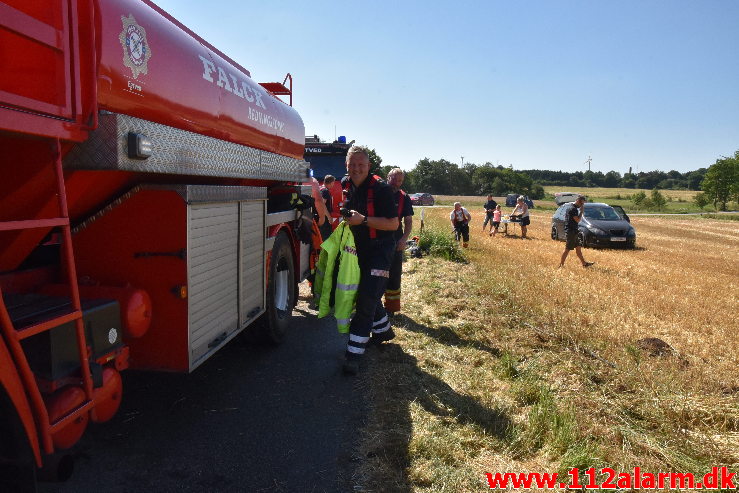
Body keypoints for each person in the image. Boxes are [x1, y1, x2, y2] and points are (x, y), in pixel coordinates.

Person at [340, 146, 400, 374]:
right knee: (368, 292)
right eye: (352, 165)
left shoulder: (382, 190)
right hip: (359, 250)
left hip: (382, 250)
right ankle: (384, 331)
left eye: (361, 165)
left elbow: (393, 224)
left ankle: (353, 354)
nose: (356, 169)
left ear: (368, 166)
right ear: (347, 165)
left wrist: (363, 220)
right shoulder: (347, 185)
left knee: (366, 298)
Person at [384, 168, 414, 315]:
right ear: (387, 177)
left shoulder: (404, 198)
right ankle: (373, 306)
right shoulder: (378, 193)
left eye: (400, 180)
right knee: (374, 275)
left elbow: (408, 221)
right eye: (394, 179)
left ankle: (391, 308)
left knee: (394, 276)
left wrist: (403, 240)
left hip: (395, 242)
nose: (397, 183)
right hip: (375, 241)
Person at [559, 195, 594, 268]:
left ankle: (584, 264)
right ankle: (561, 265)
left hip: (574, 231)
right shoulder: (573, 209)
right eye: (582, 203)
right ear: (578, 201)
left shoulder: (570, 207)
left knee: (578, 248)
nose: (582, 205)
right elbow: (577, 220)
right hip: (571, 232)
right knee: (567, 249)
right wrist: (581, 212)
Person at [318, 175, 335, 240]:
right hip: (324, 219)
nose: (333, 185)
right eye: (333, 183)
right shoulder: (325, 191)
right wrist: (329, 217)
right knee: (325, 237)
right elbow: (322, 205)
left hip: (320, 216)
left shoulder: (320, 188)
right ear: (331, 183)